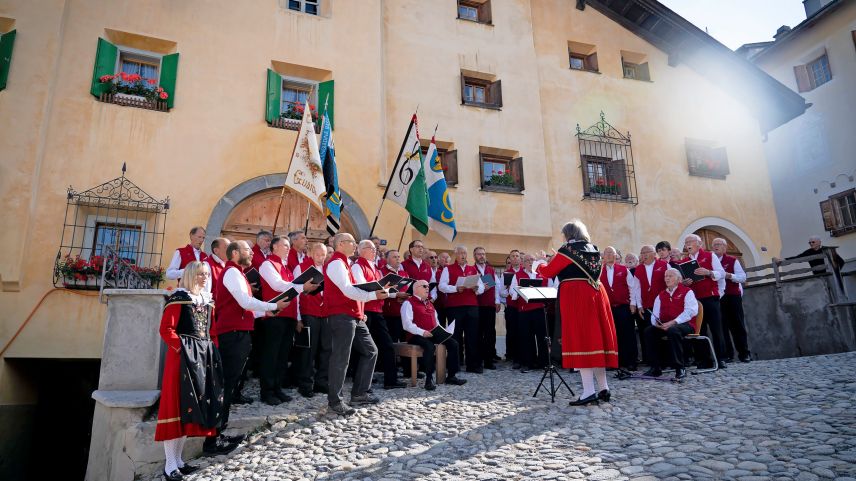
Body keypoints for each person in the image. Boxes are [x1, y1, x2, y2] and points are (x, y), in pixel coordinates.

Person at [207, 241, 289, 454]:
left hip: (238, 333)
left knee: (229, 384)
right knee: (224, 385)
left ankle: (218, 433)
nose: (252, 253)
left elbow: (245, 306)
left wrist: (265, 312)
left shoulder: (238, 273)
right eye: (247, 250)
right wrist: (272, 306)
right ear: (235, 253)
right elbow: (244, 302)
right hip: (232, 335)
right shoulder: (232, 272)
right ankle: (212, 440)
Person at [535, 220, 618, 406]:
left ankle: (589, 391)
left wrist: (539, 262)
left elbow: (548, 272)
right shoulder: (594, 249)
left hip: (576, 296)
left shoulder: (567, 250)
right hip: (597, 294)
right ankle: (604, 388)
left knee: (580, 340)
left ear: (568, 235)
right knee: (595, 341)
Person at [155, 261, 223, 480]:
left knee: (189, 409)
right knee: (176, 408)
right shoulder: (179, 298)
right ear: (190, 275)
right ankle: (169, 466)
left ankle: (179, 461)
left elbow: (210, 331)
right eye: (200, 274)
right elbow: (166, 329)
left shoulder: (208, 301)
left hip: (202, 359)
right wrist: (183, 350)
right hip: (182, 359)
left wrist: (212, 353)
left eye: (206, 274)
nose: (203, 278)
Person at [324, 233, 389, 416]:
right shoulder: (337, 263)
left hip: (353, 315)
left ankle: (359, 393)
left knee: (371, 350)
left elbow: (353, 290)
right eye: (353, 243)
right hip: (341, 315)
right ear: (342, 244)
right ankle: (335, 401)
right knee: (341, 358)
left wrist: (361, 310)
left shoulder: (345, 263)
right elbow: (347, 290)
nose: (355, 246)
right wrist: (372, 296)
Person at [258, 236, 319, 405]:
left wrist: (298, 316)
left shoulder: (286, 267)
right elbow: (277, 285)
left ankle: (277, 388)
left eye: (287, 246)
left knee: (283, 355)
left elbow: (294, 294)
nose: (287, 248)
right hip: (274, 316)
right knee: (271, 354)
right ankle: (267, 391)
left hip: (289, 316)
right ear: (274, 247)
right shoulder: (267, 264)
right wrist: (301, 287)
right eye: (284, 245)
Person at [352, 240, 406, 389]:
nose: (374, 250)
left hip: (377, 311)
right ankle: (361, 383)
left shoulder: (376, 269)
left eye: (375, 248)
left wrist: (395, 294)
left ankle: (391, 381)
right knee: (362, 348)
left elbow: (382, 291)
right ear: (361, 250)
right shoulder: (357, 266)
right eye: (370, 248)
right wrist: (381, 288)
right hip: (365, 310)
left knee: (387, 345)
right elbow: (361, 286)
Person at [401, 280, 468, 390]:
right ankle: (428, 379)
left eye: (428, 286)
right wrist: (422, 332)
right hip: (416, 336)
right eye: (424, 286)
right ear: (416, 289)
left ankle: (451, 376)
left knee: (453, 343)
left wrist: (443, 332)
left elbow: (436, 322)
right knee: (429, 346)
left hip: (432, 334)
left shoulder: (430, 304)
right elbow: (407, 325)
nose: (428, 288)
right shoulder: (408, 303)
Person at [643, 268, 698, 380]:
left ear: (679, 279)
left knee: (673, 330)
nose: (667, 278)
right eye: (666, 276)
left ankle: (680, 367)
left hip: (685, 325)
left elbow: (691, 311)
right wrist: (657, 324)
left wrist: (673, 322)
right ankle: (655, 368)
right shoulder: (661, 295)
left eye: (670, 276)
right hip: (665, 325)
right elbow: (655, 314)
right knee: (649, 331)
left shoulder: (687, 291)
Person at [682, 234, 727, 369]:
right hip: (694, 300)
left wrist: (708, 272)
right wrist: (684, 282)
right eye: (686, 242)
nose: (687, 244)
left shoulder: (709, 255)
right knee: (699, 330)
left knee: (716, 329)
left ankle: (720, 359)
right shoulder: (684, 261)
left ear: (699, 244)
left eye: (690, 241)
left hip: (710, 297)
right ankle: (705, 360)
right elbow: (683, 283)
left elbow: (722, 273)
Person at [439, 245, 485, 373]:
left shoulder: (473, 269)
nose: (463, 255)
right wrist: (455, 288)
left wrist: (477, 289)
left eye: (465, 253)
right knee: (456, 336)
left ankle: (473, 365)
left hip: (472, 306)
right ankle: (456, 364)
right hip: (455, 307)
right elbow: (441, 286)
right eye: (460, 253)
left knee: (472, 336)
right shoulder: (448, 269)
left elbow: (481, 287)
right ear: (456, 255)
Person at [294, 242, 330, 398]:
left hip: (326, 314)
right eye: (318, 254)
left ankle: (322, 382)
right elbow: (294, 293)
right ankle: (305, 384)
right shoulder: (301, 267)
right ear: (310, 253)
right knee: (309, 350)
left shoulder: (328, 269)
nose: (321, 258)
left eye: (323, 255)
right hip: (309, 313)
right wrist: (298, 318)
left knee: (326, 349)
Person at [509, 253, 552, 372]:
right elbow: (512, 294)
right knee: (526, 338)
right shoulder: (517, 275)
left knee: (542, 337)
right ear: (522, 263)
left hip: (539, 310)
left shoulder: (543, 275)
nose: (530, 262)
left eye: (532, 259)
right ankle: (527, 363)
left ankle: (543, 363)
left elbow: (551, 290)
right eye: (527, 260)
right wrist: (519, 290)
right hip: (524, 311)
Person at [712, 238, 751, 363]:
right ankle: (728, 355)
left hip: (732, 296)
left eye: (719, 244)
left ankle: (744, 353)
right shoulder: (710, 261)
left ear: (725, 247)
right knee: (722, 327)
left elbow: (743, 277)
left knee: (737, 325)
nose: (716, 246)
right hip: (718, 297)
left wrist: (729, 275)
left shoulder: (732, 260)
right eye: (714, 245)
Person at [599, 246, 637, 371]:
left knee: (628, 335)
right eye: (607, 253)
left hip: (623, 307)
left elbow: (632, 288)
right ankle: (615, 362)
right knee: (612, 336)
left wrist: (633, 304)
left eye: (612, 253)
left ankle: (631, 362)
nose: (609, 255)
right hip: (608, 308)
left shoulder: (624, 270)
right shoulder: (599, 271)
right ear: (603, 257)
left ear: (616, 256)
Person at [632, 245, 667, 365]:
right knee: (649, 334)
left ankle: (666, 360)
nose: (644, 255)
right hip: (646, 307)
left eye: (647, 252)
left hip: (663, 306)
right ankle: (652, 361)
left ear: (654, 254)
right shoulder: (638, 269)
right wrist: (639, 306)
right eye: (642, 253)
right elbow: (636, 289)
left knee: (663, 333)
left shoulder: (664, 265)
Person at [473, 247, 500, 370]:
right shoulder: (471, 270)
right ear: (474, 256)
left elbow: (497, 286)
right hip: (476, 306)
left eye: (483, 254)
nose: (482, 256)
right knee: (477, 333)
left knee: (490, 334)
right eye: (479, 254)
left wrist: (497, 301)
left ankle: (489, 360)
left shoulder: (491, 270)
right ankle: (478, 360)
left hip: (489, 306)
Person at [775, 235, 845, 274]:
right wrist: (783, 260)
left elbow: (841, 262)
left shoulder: (828, 250)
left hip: (830, 275)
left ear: (819, 242)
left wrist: (835, 272)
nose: (811, 244)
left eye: (813, 242)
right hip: (817, 277)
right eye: (810, 242)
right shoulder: (808, 252)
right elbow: (797, 258)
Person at [381, 249, 409, 342]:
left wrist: (407, 297)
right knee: (391, 340)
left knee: (404, 340)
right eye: (394, 257)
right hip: (389, 313)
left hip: (404, 313)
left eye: (398, 257)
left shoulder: (404, 273)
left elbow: (409, 289)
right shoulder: (381, 272)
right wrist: (396, 295)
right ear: (387, 259)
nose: (397, 259)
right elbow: (380, 291)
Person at [502, 249, 523, 368]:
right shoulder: (506, 273)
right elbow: (501, 292)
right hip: (511, 307)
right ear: (509, 259)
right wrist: (510, 291)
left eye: (517, 256)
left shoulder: (524, 271)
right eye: (513, 256)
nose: (515, 258)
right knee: (512, 332)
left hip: (523, 307)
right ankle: (514, 357)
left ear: (520, 258)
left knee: (523, 332)